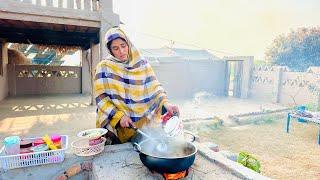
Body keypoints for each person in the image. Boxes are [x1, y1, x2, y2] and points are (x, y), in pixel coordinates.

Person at [94, 27, 179, 144]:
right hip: (119, 126)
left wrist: (166, 103)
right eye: (115, 48)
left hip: (143, 124)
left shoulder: (142, 63)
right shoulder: (104, 67)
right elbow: (101, 98)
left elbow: (154, 87)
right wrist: (119, 116)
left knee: (147, 146)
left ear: (128, 43)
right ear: (110, 50)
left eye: (123, 46)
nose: (121, 51)